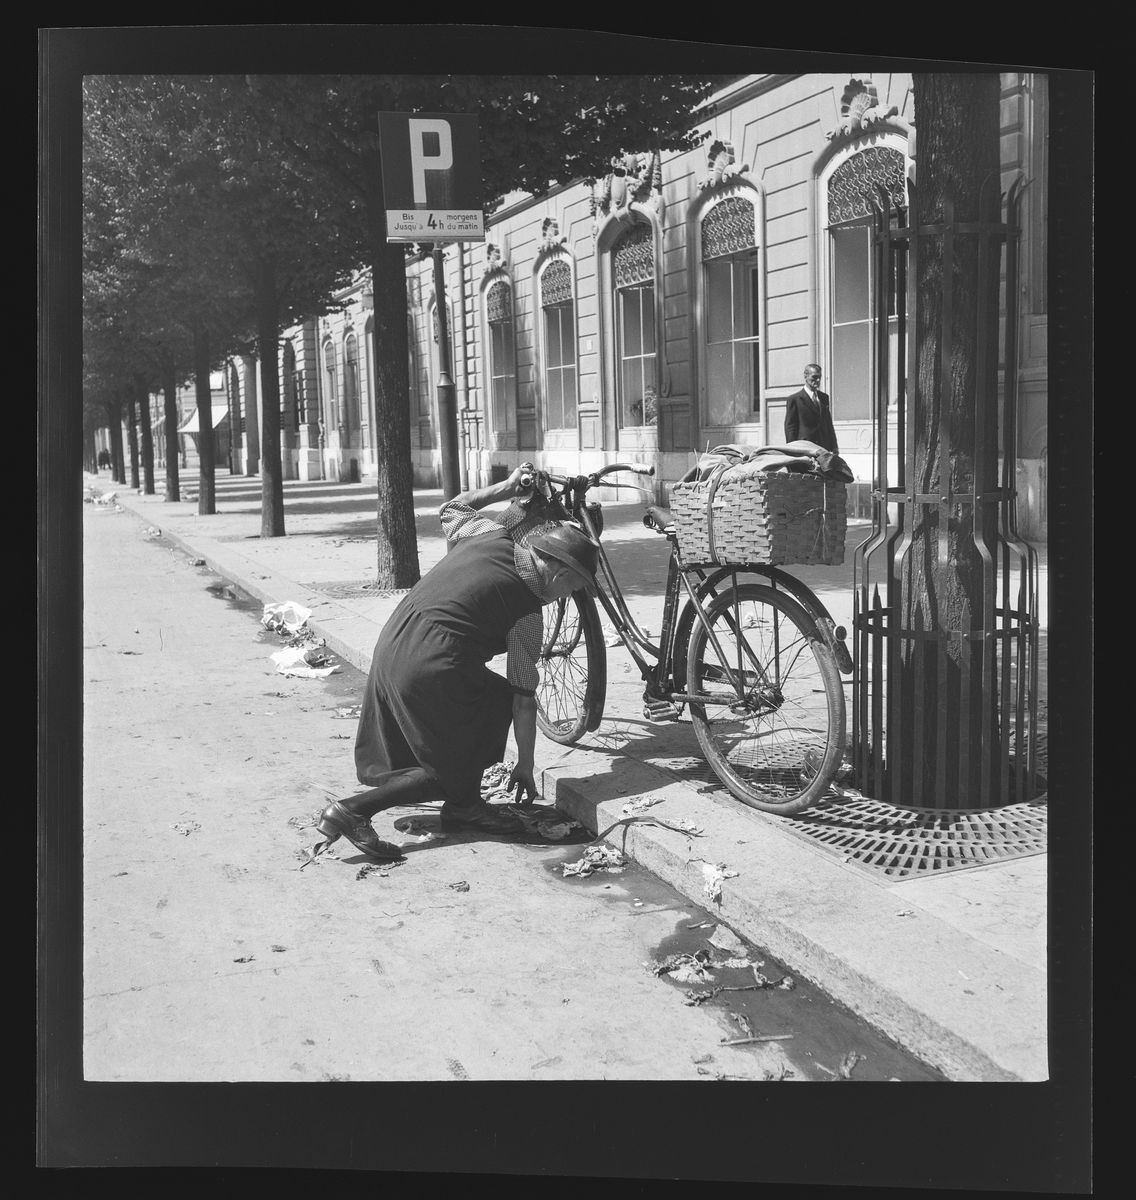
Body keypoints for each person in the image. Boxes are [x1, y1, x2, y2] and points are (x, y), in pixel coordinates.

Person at [316, 466, 599, 860]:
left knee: (468, 723)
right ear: (555, 571)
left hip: (396, 639)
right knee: (456, 756)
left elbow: (453, 507)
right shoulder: (527, 617)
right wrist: (526, 765)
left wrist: (504, 487)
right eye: (572, 585)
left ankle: (464, 802)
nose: (568, 595)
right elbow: (523, 698)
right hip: (431, 662)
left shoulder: (490, 533)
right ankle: (352, 811)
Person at [784, 363, 839, 453]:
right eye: (814, 377)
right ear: (806, 376)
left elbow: (828, 424)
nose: (818, 380)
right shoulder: (795, 399)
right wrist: (792, 450)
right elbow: (790, 428)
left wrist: (834, 447)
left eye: (820, 377)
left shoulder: (824, 398)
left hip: (823, 449)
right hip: (805, 449)